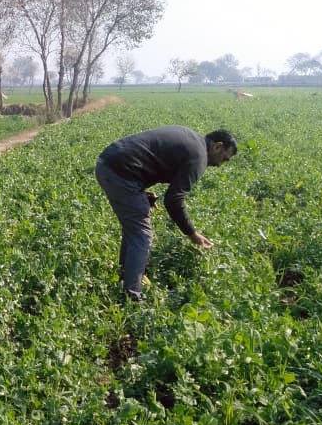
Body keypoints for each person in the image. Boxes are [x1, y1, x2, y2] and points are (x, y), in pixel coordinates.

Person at [95, 126, 237, 301]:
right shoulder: (199, 157)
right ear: (217, 146)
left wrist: (142, 193)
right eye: (224, 158)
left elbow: (149, 159)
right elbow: (173, 200)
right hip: (120, 172)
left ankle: (127, 277)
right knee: (141, 234)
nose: (219, 165)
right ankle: (132, 296)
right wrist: (192, 233)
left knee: (133, 227)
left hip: (109, 162)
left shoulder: (191, 138)